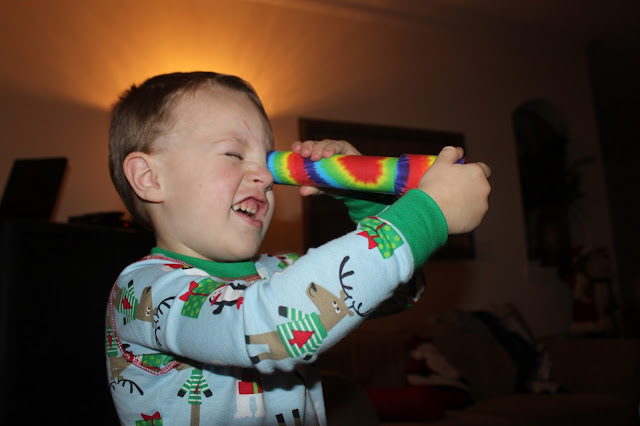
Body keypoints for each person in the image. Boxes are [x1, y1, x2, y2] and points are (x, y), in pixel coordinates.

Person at [105, 71, 491, 425]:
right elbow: (267, 327)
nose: (265, 176)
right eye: (234, 154)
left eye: (268, 160)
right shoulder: (143, 291)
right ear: (149, 177)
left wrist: (361, 196)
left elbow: (398, 293)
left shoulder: (278, 271)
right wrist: (426, 214)